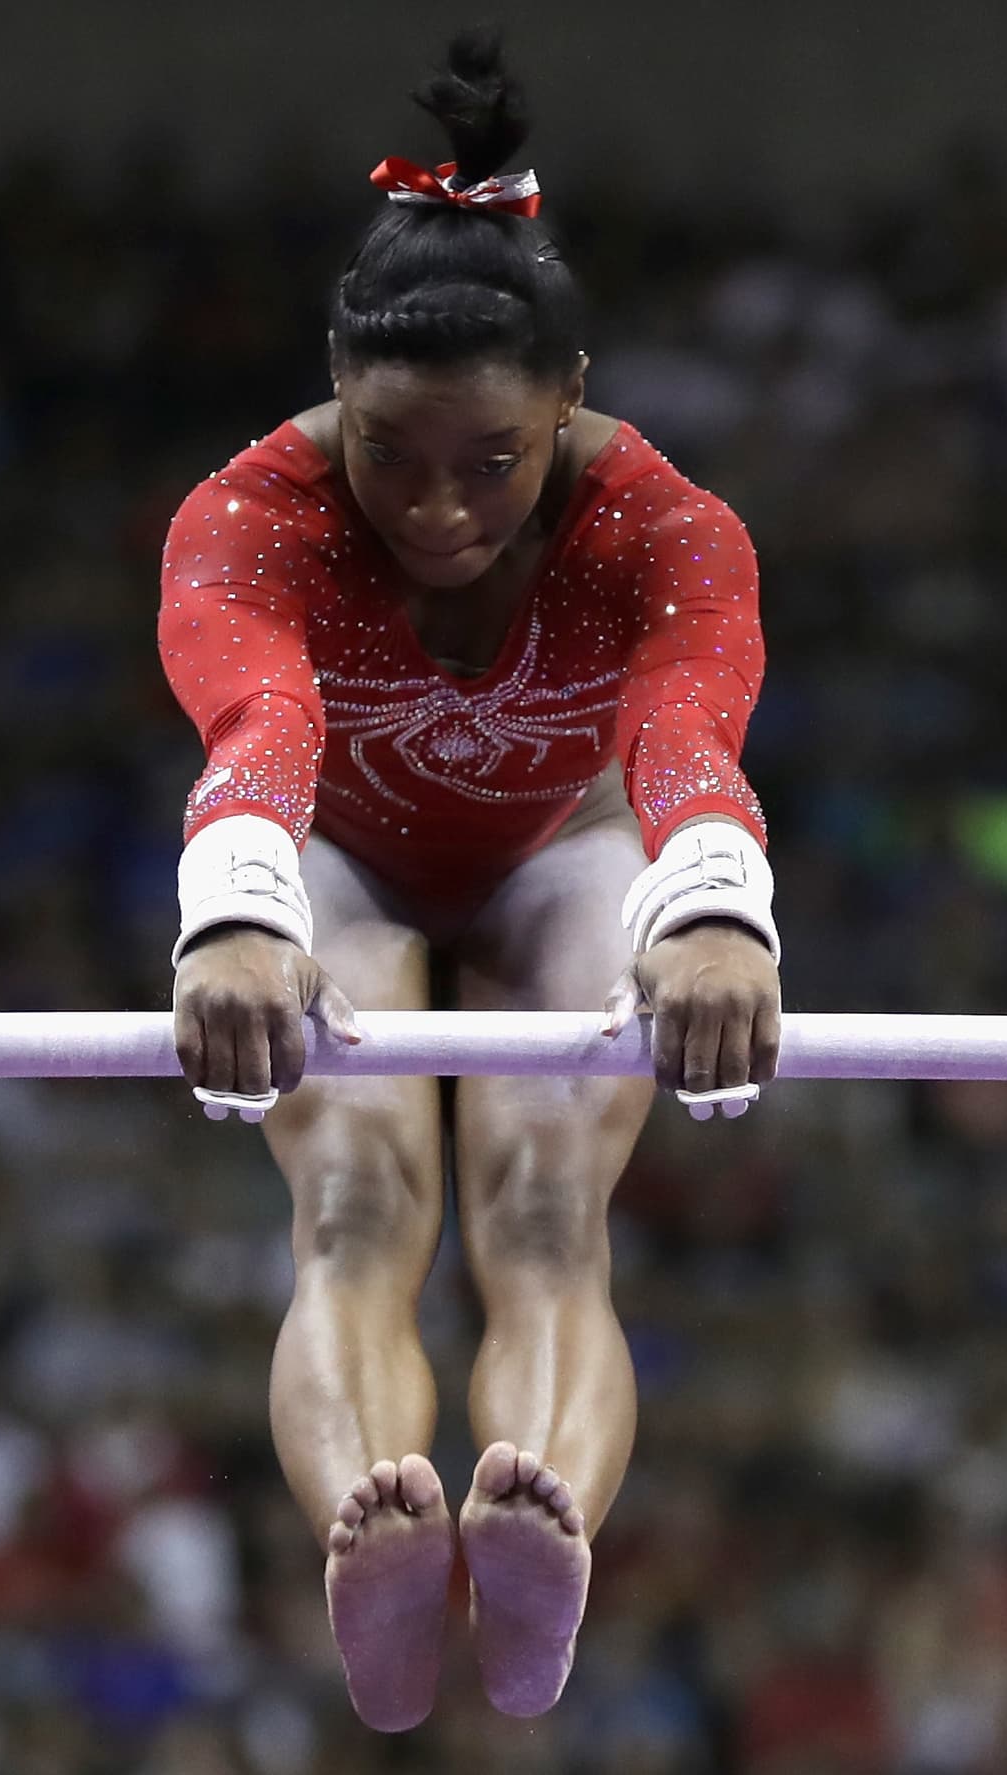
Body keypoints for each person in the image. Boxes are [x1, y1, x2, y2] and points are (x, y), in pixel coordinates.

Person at [159, 29, 782, 1733]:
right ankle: (369, 1545)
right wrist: (238, 915)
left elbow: (684, 731)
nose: (437, 509)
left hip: (556, 857)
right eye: (390, 454)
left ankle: (539, 1535)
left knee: (544, 1210)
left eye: (492, 461)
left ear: (568, 397)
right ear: (334, 388)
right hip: (342, 855)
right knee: (354, 1204)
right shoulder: (250, 516)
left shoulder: (665, 530)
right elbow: (261, 720)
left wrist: (712, 912)